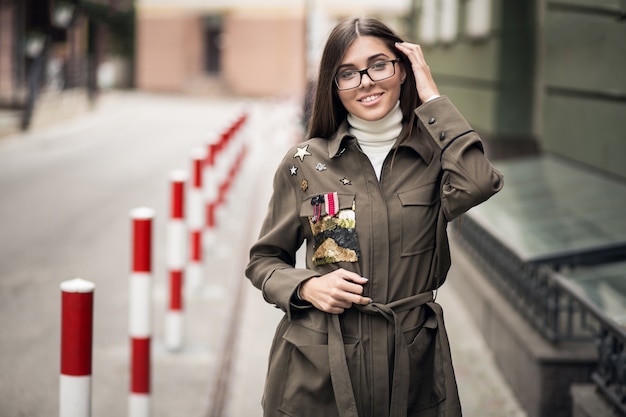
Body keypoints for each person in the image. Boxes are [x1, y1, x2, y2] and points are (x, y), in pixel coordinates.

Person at [245, 16, 503, 417]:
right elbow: (263, 261)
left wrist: (431, 97)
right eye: (347, 73)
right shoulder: (305, 163)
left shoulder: (435, 158)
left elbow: (478, 182)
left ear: (403, 69)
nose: (365, 81)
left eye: (379, 64)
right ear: (334, 86)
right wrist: (307, 287)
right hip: (319, 370)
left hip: (412, 365)